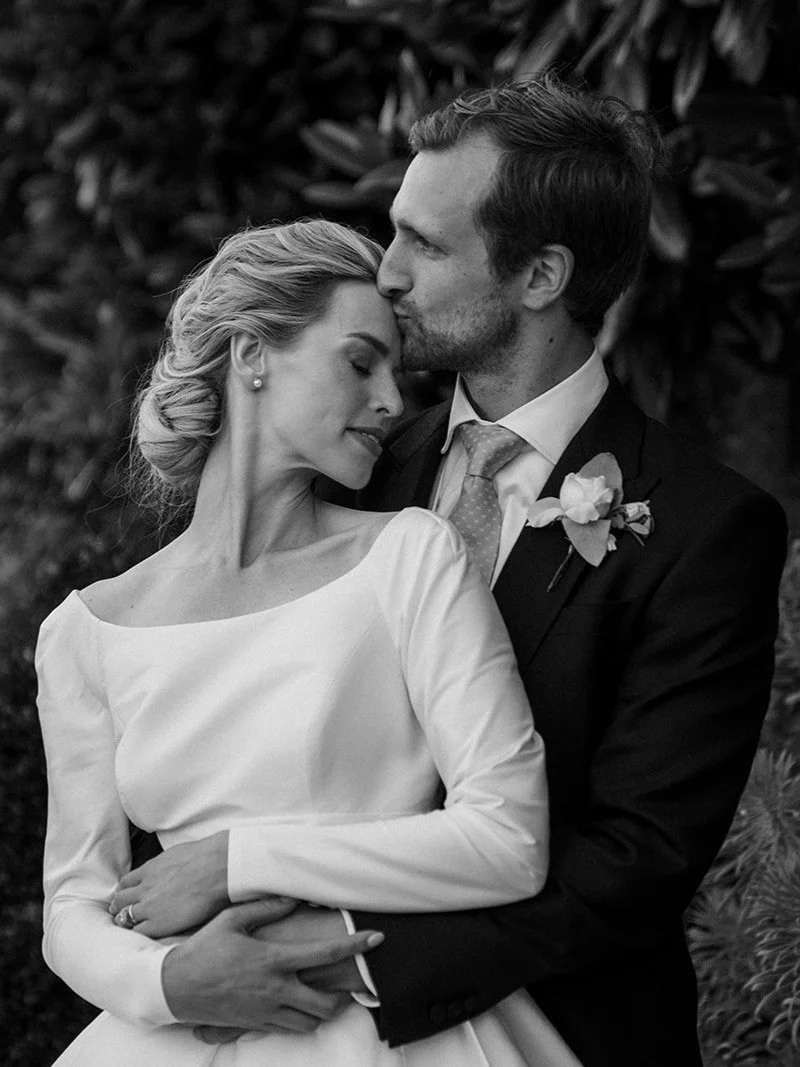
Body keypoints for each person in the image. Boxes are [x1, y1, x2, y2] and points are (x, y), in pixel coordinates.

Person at [116, 75, 788, 1065]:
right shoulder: (344, 464)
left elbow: (632, 858)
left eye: (424, 245)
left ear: (539, 277)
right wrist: (196, 939)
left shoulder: (703, 528)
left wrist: (341, 958)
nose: (383, 274)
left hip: (546, 1025)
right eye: (392, 231)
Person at [35, 218, 586, 1066]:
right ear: (253, 354)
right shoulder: (85, 632)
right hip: (175, 1033)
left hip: (393, 1030)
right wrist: (170, 982)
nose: (395, 401)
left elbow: (508, 840)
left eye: (396, 373)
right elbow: (76, 902)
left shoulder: (410, 554)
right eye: (359, 360)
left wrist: (236, 861)